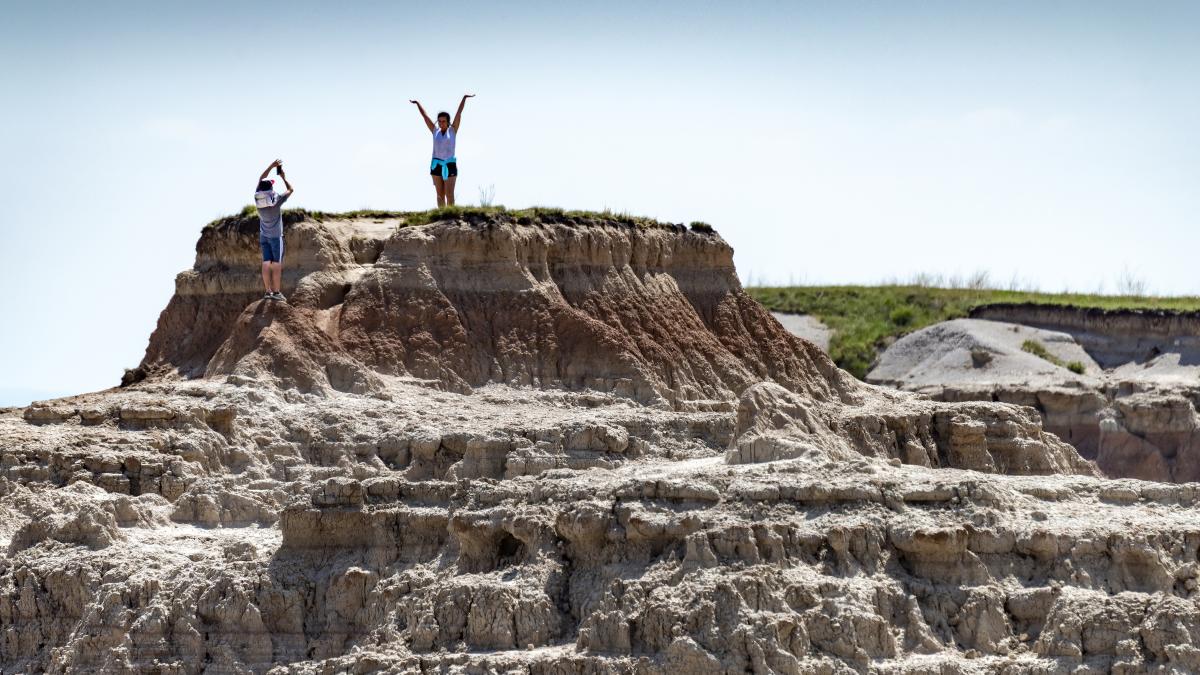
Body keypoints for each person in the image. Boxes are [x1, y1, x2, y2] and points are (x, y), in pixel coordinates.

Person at [409, 94, 474, 207]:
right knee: (439, 195)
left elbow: (459, 113)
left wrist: (464, 98)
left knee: (449, 194)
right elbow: (425, 116)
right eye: (439, 121)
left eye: (443, 121)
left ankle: (451, 216)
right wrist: (417, 104)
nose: (441, 123)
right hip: (436, 165)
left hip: (449, 164)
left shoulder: (453, 130)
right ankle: (441, 217)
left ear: (448, 121)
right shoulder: (435, 131)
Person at [253, 159, 294, 301]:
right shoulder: (276, 202)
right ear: (270, 190)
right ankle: (276, 293)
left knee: (266, 263)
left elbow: (261, 178)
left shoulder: (257, 200)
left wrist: (271, 165)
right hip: (276, 237)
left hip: (264, 236)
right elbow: (291, 190)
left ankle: (267, 292)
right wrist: (283, 177)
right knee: (276, 265)